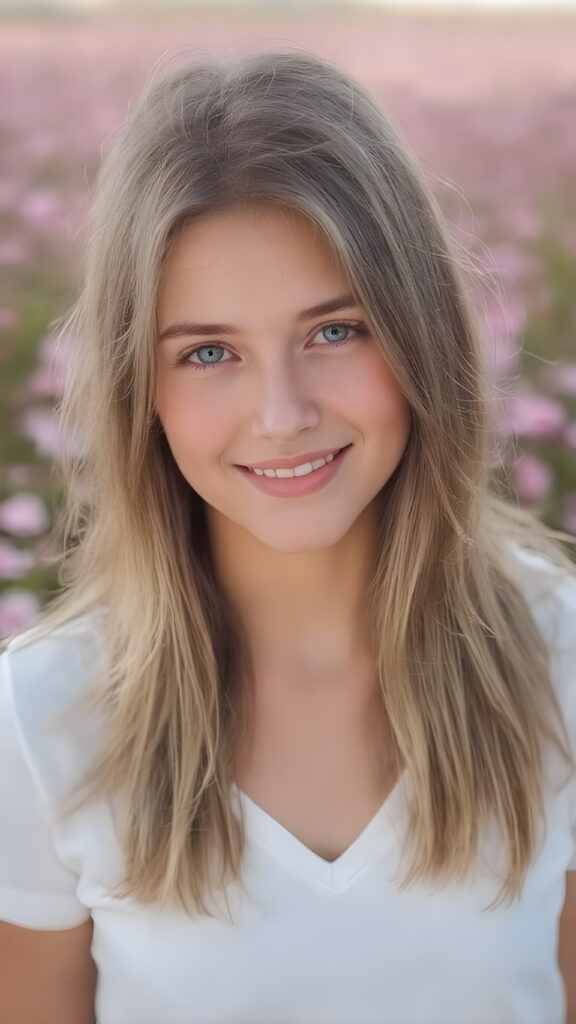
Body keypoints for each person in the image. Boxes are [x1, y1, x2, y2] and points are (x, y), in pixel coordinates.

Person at [0, 47, 574, 1024]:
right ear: (144, 389)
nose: (281, 412)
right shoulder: (40, 718)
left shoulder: (559, 652)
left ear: (420, 332)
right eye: (210, 352)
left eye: (335, 331)